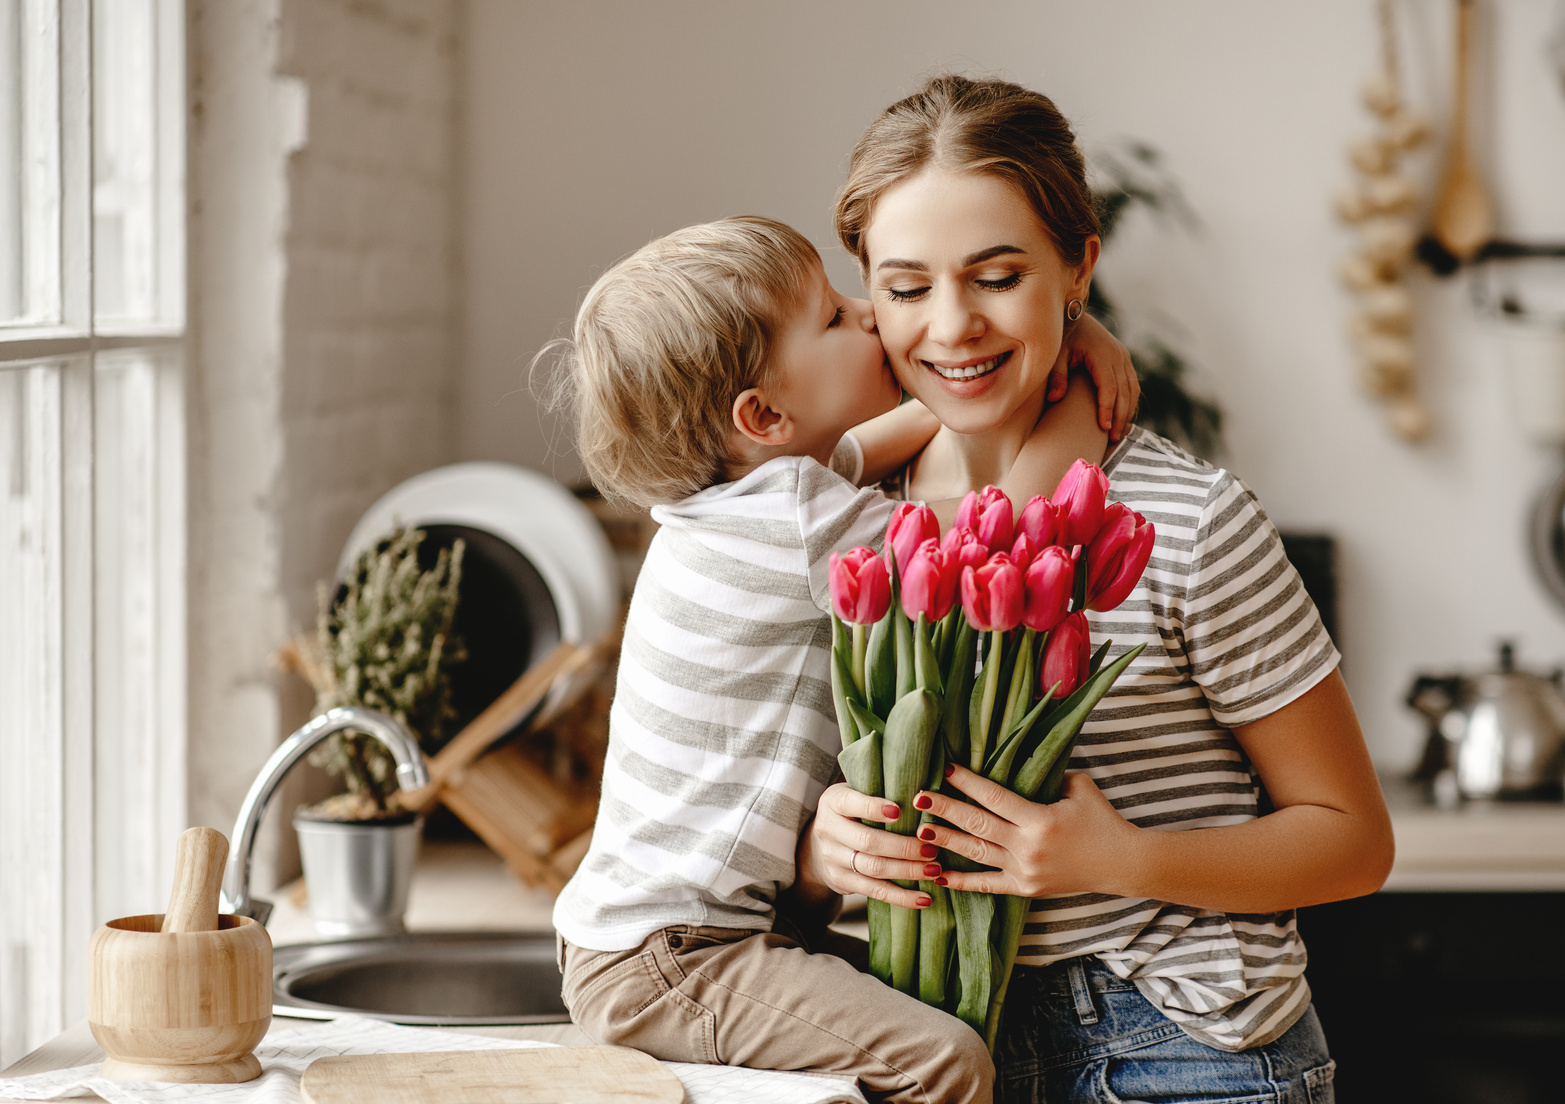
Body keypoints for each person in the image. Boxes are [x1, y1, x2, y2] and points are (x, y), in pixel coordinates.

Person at [801, 74, 1394, 1104]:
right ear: (864, 294)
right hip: (913, 1046)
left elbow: (1349, 838)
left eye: (997, 276)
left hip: (1182, 1050)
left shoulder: (1190, 522)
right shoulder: (833, 516)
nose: (951, 328)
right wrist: (820, 854)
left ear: (1077, 266)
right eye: (906, 288)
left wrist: (1115, 859)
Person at [547, 214, 1137, 1104]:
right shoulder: (792, 521)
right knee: (942, 1058)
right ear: (764, 416)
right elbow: (1002, 535)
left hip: (655, 940)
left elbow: (878, 441)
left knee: (935, 1015)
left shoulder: (744, 497)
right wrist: (1076, 394)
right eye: (831, 316)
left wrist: (1054, 328)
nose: (870, 315)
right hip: (676, 959)